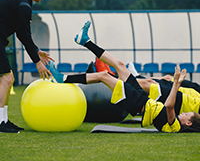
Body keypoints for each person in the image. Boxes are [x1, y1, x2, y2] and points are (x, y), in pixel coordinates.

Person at [49, 21, 200, 132]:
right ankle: (85, 41)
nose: (184, 113)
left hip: (137, 103)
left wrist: (176, 84)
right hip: (142, 98)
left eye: (186, 114)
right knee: (119, 65)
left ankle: (63, 78)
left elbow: (169, 105)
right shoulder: (176, 124)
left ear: (188, 123)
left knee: (104, 76)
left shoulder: (174, 126)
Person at [0, 0, 55, 133]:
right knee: (7, 78)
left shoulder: (20, 1)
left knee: (8, 79)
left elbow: (20, 32)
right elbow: (24, 34)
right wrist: (37, 62)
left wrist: (36, 51)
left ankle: (3, 120)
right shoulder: (23, 4)